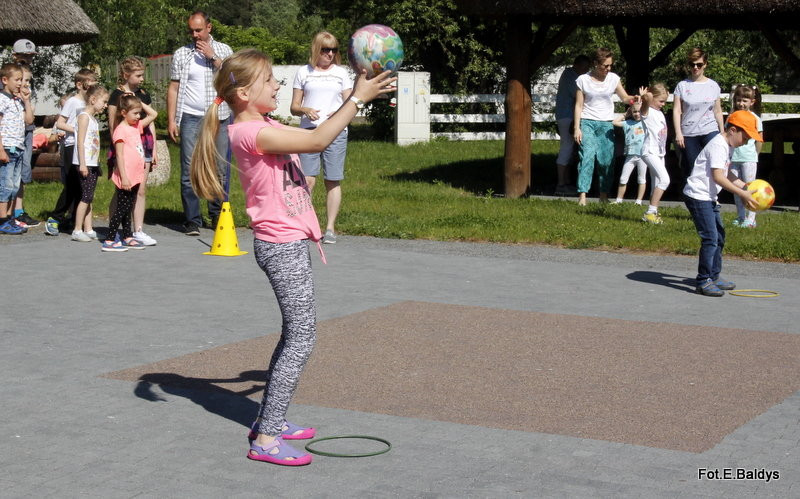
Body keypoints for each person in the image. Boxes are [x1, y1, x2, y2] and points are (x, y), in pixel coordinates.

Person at [190, 49, 396, 466]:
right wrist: (357, 98)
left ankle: (272, 417)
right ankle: (266, 439)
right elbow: (317, 141)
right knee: (302, 338)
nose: (278, 86)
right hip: (280, 246)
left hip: (286, 242)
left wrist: (349, 97)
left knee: (293, 334)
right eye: (270, 81)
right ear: (245, 93)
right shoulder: (251, 133)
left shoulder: (261, 122)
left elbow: (314, 132)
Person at [167, 10, 233, 236]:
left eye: (199, 30)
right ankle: (192, 219)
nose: (195, 35)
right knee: (189, 169)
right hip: (190, 116)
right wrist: (172, 119)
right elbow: (174, 88)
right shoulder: (181, 54)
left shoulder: (224, 50)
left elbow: (233, 80)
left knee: (219, 168)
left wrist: (213, 57)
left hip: (219, 115)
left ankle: (217, 215)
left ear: (209, 28)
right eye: (191, 31)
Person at [683, 110, 760, 297]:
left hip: (709, 197)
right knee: (710, 238)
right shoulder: (718, 145)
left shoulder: (729, 146)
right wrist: (742, 193)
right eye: (746, 137)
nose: (748, 141)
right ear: (733, 130)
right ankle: (703, 280)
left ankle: (714, 276)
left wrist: (744, 185)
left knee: (719, 236)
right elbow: (718, 177)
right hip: (697, 196)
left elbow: (727, 173)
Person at [291, 32, 354, 244]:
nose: (329, 54)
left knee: (332, 180)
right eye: (325, 50)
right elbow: (294, 107)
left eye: (333, 50)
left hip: (335, 132)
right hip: (310, 131)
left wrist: (338, 114)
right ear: (316, 50)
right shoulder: (303, 72)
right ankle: (306, 225)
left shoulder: (341, 73)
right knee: (307, 179)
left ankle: (330, 228)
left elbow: (350, 104)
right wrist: (305, 109)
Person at [573, 48, 634, 205]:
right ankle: (582, 196)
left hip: (606, 123)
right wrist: (577, 128)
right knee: (586, 157)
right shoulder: (583, 80)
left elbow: (624, 97)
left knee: (606, 160)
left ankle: (604, 195)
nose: (608, 69)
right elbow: (579, 105)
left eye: (610, 65)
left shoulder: (613, 78)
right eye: (605, 66)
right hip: (587, 122)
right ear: (595, 64)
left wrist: (635, 99)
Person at [108, 57, 158, 246]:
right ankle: (113, 230)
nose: (142, 78)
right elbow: (113, 122)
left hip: (143, 143)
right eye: (138, 75)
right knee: (122, 190)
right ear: (126, 75)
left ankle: (138, 230)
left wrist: (153, 148)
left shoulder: (143, 95)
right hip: (124, 145)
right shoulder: (117, 95)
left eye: (142, 74)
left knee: (141, 188)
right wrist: (117, 146)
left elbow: (150, 121)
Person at [51, 68, 98, 232]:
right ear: (80, 84)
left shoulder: (89, 103)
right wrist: (77, 129)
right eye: (89, 85)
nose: (92, 88)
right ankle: (55, 218)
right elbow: (60, 123)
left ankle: (75, 220)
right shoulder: (73, 102)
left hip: (85, 149)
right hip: (72, 146)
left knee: (83, 187)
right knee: (72, 185)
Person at [672, 47, 724, 180]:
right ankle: (692, 197)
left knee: (714, 165)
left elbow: (717, 111)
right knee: (692, 168)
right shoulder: (682, 86)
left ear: (705, 64)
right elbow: (677, 110)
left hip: (710, 130)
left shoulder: (713, 85)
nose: (695, 67)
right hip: (689, 133)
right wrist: (678, 133)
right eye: (692, 64)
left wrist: (722, 132)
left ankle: (712, 197)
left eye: (699, 64)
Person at [71, 85, 109, 242]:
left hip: (92, 163)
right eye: (104, 102)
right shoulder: (84, 117)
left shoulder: (92, 119)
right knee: (85, 196)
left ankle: (89, 228)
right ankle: (77, 229)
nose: (106, 105)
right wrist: (83, 164)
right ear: (93, 100)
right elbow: (80, 143)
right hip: (84, 163)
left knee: (89, 196)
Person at [0, 63, 34, 234]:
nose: (21, 83)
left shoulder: (17, 101)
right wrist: (0, 150)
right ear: (5, 80)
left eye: (22, 79)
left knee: (13, 186)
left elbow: (29, 121)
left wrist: (26, 101)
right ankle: (2, 220)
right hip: (7, 147)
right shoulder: (1, 99)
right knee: (5, 186)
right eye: (17, 79)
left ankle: (9, 217)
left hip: (18, 148)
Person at [554, 55, 590, 196]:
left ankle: (566, 181)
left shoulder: (569, 75)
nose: (586, 71)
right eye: (585, 68)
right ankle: (561, 184)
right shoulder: (572, 77)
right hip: (568, 116)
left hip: (566, 115)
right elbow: (579, 96)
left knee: (569, 149)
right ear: (578, 65)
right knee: (566, 148)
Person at [728, 84, 762, 229]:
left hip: (748, 158)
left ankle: (751, 218)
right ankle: (741, 216)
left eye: (745, 101)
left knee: (750, 187)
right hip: (733, 158)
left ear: (752, 102)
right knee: (737, 189)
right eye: (738, 100)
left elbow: (760, 139)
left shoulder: (755, 118)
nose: (741, 103)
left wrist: (755, 155)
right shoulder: (731, 117)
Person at [13, 56, 40, 229]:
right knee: (10, 176)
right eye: (23, 80)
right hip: (12, 139)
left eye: (28, 80)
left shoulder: (26, 97)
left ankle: (18, 211)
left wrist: (27, 101)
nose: (26, 83)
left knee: (22, 173)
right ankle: (8, 213)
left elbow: (30, 119)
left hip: (26, 134)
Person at [639, 84, 671, 224]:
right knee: (665, 180)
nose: (663, 104)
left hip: (659, 153)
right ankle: (650, 212)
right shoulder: (647, 111)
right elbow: (644, 106)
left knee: (656, 183)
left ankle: (653, 212)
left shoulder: (659, 112)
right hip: (649, 151)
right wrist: (646, 98)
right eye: (661, 101)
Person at [612, 96, 647, 205]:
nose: (637, 114)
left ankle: (639, 201)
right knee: (623, 178)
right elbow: (614, 122)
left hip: (642, 155)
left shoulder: (646, 123)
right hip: (630, 155)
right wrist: (625, 115)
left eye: (639, 111)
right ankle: (619, 200)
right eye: (635, 111)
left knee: (641, 179)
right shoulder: (628, 123)